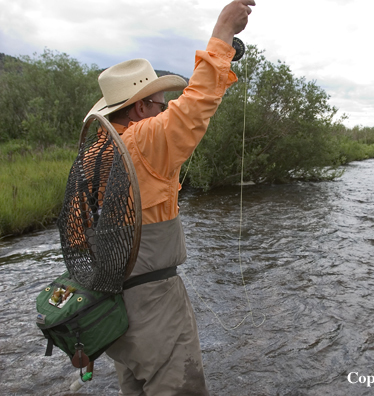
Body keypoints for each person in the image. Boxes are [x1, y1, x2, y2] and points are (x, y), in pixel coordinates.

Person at [84, 1, 255, 395]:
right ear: (141, 107)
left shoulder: (96, 152)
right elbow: (195, 107)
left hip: (112, 308)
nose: (165, 111)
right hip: (154, 307)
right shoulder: (144, 139)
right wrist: (224, 31)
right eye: (160, 105)